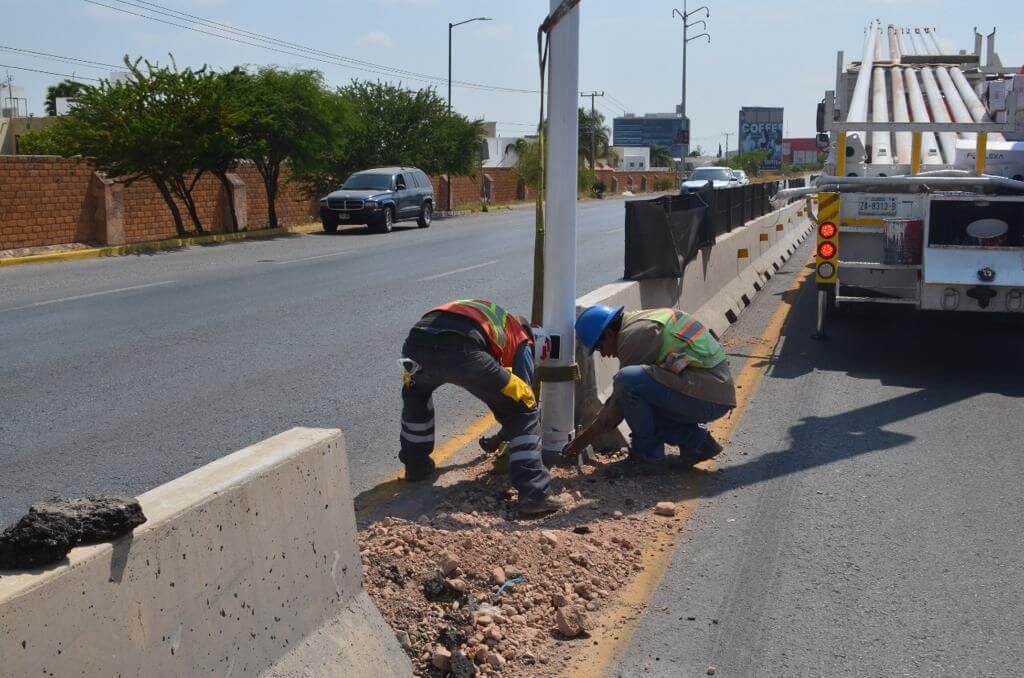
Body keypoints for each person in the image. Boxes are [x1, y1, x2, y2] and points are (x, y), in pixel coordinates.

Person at [399, 299, 568, 515]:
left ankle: (416, 465)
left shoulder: (497, 319)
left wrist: (496, 440)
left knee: (416, 396)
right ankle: (535, 494)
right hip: (460, 348)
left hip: (414, 346)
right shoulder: (523, 342)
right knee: (524, 405)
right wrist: (501, 438)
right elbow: (517, 405)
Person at [562, 304, 736, 476]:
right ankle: (698, 443)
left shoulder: (634, 336)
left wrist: (583, 440)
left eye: (600, 348)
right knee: (642, 405)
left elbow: (617, 406)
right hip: (711, 391)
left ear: (608, 334)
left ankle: (646, 458)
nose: (605, 354)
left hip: (708, 394)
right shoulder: (639, 321)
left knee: (627, 382)